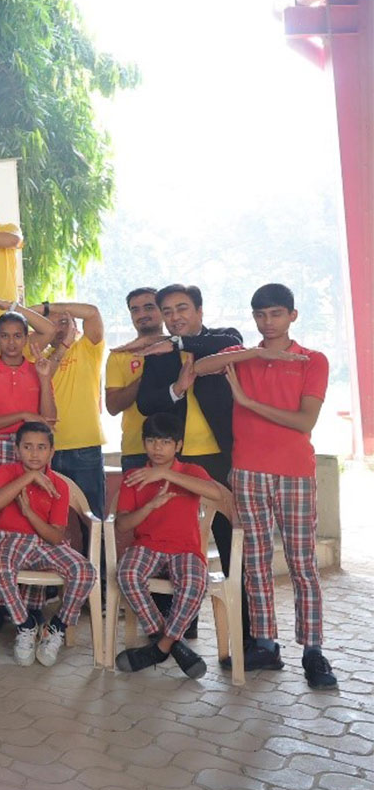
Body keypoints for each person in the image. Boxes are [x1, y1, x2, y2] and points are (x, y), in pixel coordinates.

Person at [198, 283, 334, 685]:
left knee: (302, 563)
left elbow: (304, 421)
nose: (267, 322)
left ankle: (313, 650)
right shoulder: (243, 358)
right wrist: (256, 353)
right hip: (247, 471)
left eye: (275, 314)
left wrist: (248, 401)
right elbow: (200, 368)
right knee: (254, 562)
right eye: (260, 315)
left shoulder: (313, 360)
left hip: (294, 473)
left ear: (293, 315)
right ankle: (265, 644)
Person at [131, 283, 248, 659]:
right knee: (175, 545)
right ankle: (178, 632)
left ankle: (246, 638)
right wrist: (177, 389)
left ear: (199, 309)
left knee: (231, 543)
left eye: (182, 308)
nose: (175, 317)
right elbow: (148, 403)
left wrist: (179, 347)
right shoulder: (159, 355)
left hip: (219, 460)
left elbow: (233, 345)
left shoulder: (220, 338)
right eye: (168, 312)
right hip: (175, 463)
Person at [113, 412, 233, 679]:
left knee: (194, 583)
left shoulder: (192, 471)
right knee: (126, 573)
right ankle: (174, 645)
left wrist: (165, 474)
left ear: (178, 445)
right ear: (143, 443)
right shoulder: (134, 477)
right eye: (152, 441)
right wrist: (150, 506)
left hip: (185, 549)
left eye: (165, 442)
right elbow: (122, 525)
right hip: (147, 546)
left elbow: (215, 493)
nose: (158, 448)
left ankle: (160, 648)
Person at [0, 422, 97, 667]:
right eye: (27, 447)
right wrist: (31, 476)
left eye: (41, 447)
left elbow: (56, 537)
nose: (34, 453)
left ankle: (55, 628)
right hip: (11, 540)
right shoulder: (6, 472)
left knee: (85, 572)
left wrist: (29, 513)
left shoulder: (59, 485)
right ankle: (25, 626)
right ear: (16, 450)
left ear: (52, 452)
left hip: (47, 544)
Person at [40, 301, 108, 516]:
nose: (59, 329)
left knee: (93, 518)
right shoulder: (36, 355)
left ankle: (99, 552)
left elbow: (93, 312)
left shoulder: (88, 347)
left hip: (85, 446)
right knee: (53, 517)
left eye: (63, 322)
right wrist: (63, 345)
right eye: (51, 325)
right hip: (45, 449)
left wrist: (49, 307)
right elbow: (43, 377)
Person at [0, 312, 57, 475]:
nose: (11, 342)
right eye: (4, 336)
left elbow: (49, 421)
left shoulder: (38, 370)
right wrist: (22, 415)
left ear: (26, 338)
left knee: (34, 498)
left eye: (17, 336)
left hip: (33, 448)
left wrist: (45, 379)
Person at [105, 288, 163, 470]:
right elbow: (113, 407)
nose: (142, 314)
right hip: (136, 449)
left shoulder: (182, 348)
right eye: (135, 310)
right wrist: (147, 375)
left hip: (179, 447)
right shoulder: (119, 356)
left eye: (148, 307)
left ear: (163, 310)